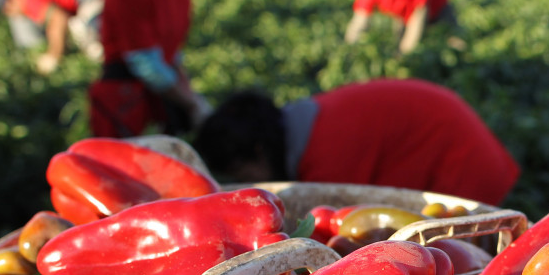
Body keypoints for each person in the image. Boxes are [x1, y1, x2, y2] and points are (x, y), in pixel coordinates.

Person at [193, 78, 520, 206]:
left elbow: (347, 224)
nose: (250, 182)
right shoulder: (305, 127)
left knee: (466, 261)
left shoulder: (324, 152)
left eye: (242, 171)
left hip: (462, 161)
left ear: (258, 149)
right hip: (453, 138)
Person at [89, 0, 217, 138]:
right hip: (124, 99)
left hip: (158, 94)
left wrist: (190, 94)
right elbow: (146, 64)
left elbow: (172, 52)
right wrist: (190, 103)